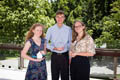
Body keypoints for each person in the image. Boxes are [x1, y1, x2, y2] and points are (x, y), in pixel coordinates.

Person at [46, 10, 72, 80]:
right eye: (58, 17)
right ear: (55, 18)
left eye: (62, 17)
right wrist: (54, 48)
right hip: (54, 56)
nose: (60, 19)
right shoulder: (50, 29)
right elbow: (45, 42)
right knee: (54, 76)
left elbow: (70, 42)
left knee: (65, 77)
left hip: (65, 56)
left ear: (64, 18)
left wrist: (65, 47)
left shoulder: (69, 29)